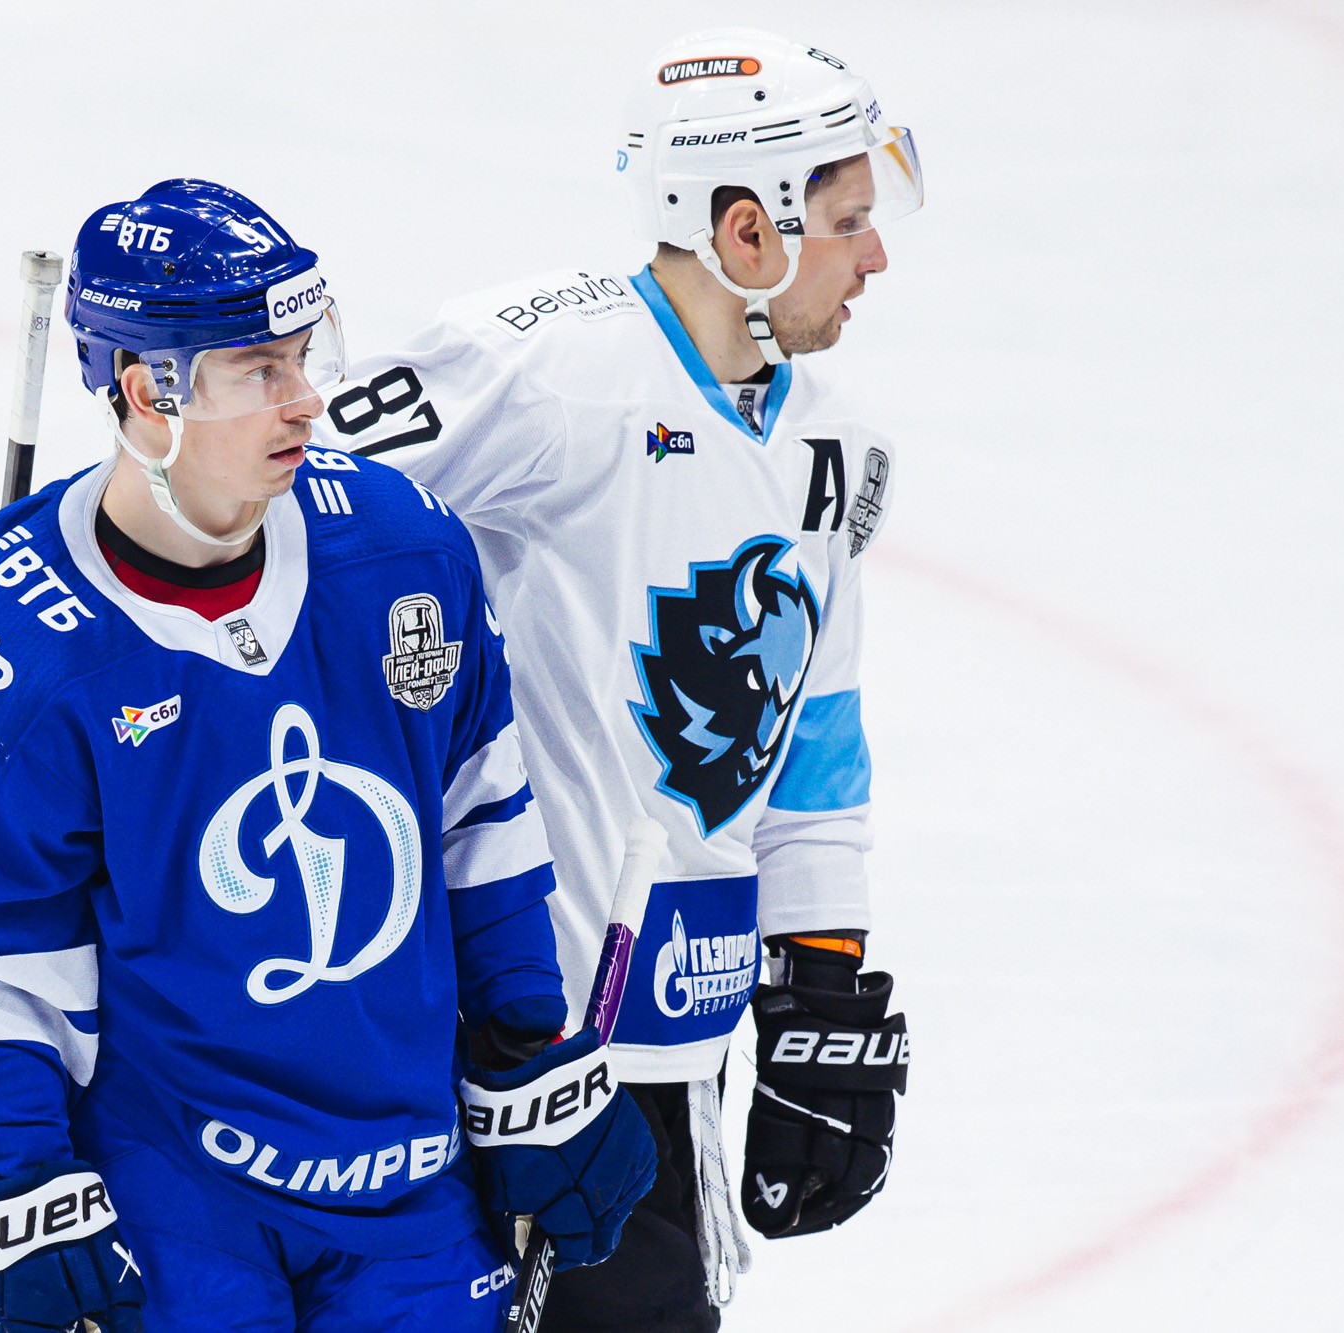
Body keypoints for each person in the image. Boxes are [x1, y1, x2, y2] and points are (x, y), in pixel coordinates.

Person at [0, 179, 655, 1333]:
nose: (305, 398)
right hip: (169, 1191)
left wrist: (522, 1037)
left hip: (407, 1171)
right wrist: (17, 1170)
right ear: (149, 390)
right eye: (258, 369)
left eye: (301, 354)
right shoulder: (18, 641)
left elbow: (478, 812)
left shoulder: (401, 550)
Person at [326, 29, 919, 1332]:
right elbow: (289, 509)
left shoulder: (836, 449)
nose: (876, 255)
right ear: (748, 229)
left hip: (665, 1055)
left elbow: (813, 743)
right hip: (480, 1048)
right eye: (848, 221)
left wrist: (819, 979)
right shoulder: (539, 369)